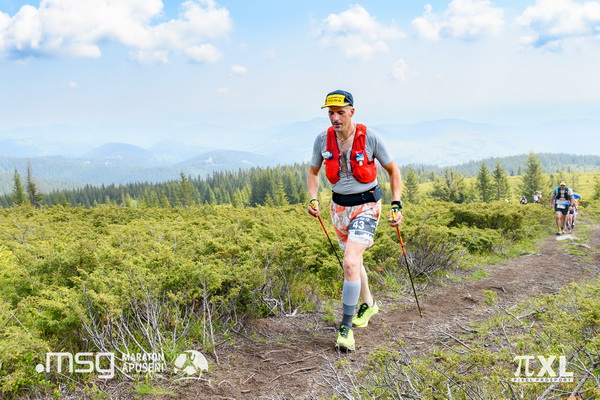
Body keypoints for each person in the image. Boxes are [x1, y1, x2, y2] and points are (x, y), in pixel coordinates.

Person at [307, 90, 403, 351]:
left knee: (349, 262)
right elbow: (313, 172)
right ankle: (369, 304)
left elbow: (393, 170)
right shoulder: (322, 140)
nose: (335, 118)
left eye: (340, 112)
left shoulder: (370, 137)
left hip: (367, 205)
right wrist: (313, 199)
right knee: (354, 261)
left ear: (352, 111)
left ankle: (346, 328)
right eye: (331, 113)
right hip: (338, 208)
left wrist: (396, 203)